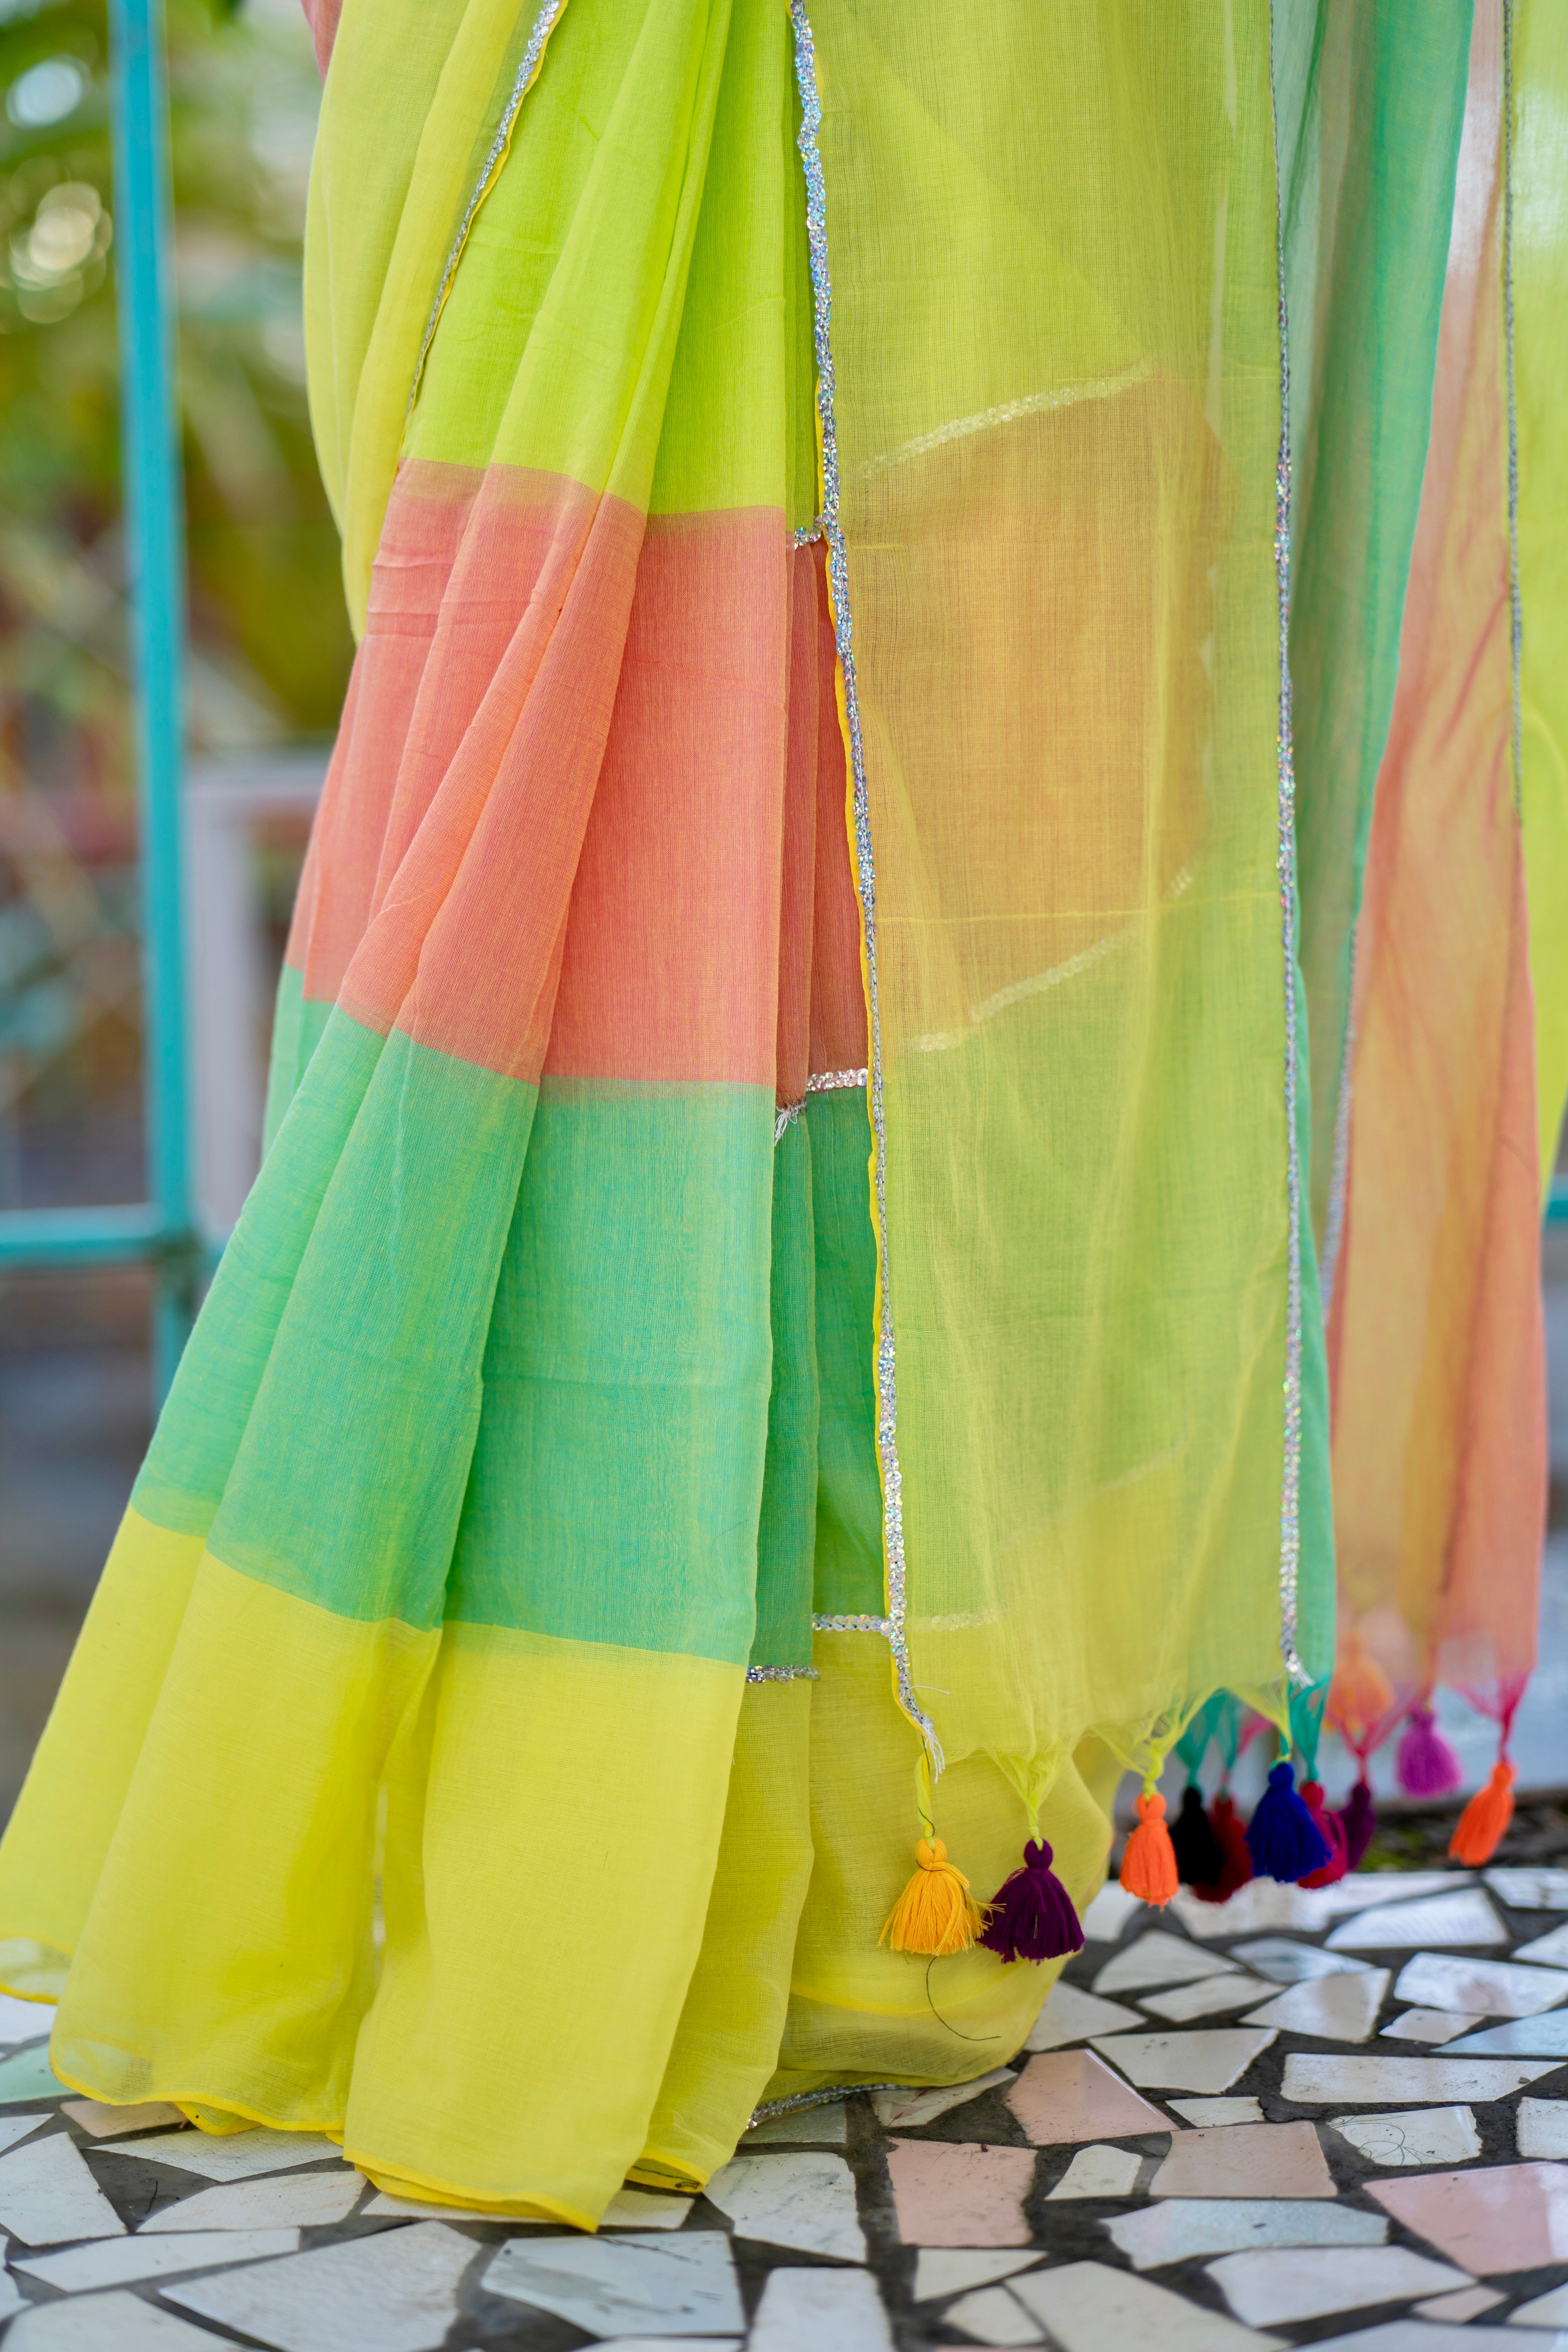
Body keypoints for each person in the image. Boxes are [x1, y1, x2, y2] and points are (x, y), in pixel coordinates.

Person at [0, 0, 1561, 2227]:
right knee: (598, 897)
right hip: (655, 102)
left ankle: (842, 1871)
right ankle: (602, 1881)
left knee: (901, 954)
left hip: (987, 136)